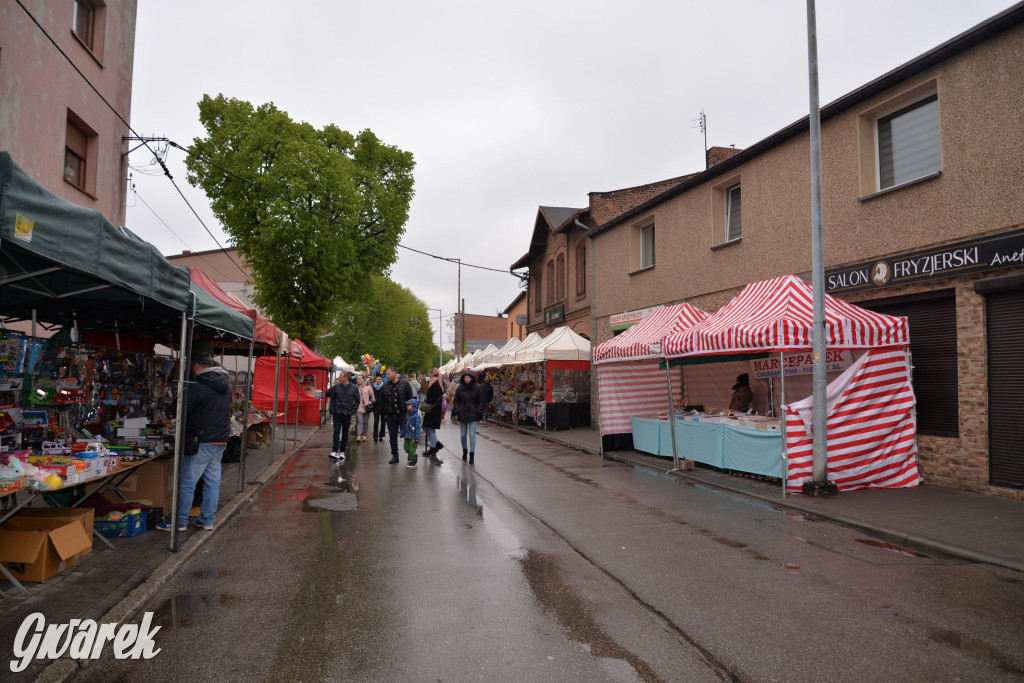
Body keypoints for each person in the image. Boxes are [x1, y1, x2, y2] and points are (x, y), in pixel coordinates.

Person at [158, 347, 231, 532]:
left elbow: (178, 409)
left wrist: (176, 396)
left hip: (201, 441)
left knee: (188, 483)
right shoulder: (225, 386)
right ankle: (207, 520)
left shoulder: (197, 386)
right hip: (220, 440)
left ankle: (180, 522)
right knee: (212, 481)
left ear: (196, 366)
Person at [381, 367, 413, 464]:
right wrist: (385, 413)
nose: (387, 376)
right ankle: (395, 455)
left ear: (395, 373)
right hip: (391, 416)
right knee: (392, 436)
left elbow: (410, 399)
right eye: (386, 374)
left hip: (403, 415)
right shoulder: (385, 386)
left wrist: (410, 413)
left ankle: (410, 454)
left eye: (389, 374)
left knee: (407, 435)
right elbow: (383, 402)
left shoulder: (405, 383)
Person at [453, 370, 485, 463]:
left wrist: (478, 410)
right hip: (462, 413)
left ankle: (472, 454)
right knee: (463, 435)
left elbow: (481, 400)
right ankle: (464, 451)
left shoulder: (477, 388)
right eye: (465, 377)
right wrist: (457, 410)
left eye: (468, 377)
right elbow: (456, 401)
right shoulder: (460, 388)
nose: (466, 379)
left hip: (473, 413)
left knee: (472, 434)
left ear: (472, 378)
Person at [325, 372, 359, 459]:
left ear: (346, 378)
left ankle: (342, 451)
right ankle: (335, 451)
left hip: (347, 413)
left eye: (340, 377)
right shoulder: (336, 387)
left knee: (345, 432)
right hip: (337, 412)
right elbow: (332, 398)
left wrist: (353, 411)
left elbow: (357, 401)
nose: (339, 378)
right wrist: (332, 409)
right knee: (336, 431)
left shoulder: (354, 388)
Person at [422, 368, 445, 463]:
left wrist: (426, 400)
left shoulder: (436, 385)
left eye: (429, 373)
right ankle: (436, 444)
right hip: (432, 410)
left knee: (429, 429)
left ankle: (433, 447)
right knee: (427, 428)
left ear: (431, 374)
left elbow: (434, 398)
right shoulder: (435, 383)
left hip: (433, 410)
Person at [400, 397, 422, 468]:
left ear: (414, 406)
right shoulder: (407, 415)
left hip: (413, 436)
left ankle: (413, 461)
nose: (407, 406)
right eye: (407, 405)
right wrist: (402, 433)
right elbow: (404, 425)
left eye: (409, 405)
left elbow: (418, 428)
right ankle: (412, 456)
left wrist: (417, 437)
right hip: (407, 435)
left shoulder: (416, 417)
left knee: (412, 449)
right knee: (406, 448)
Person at [355, 374, 375, 442]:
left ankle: (364, 435)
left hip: (367, 407)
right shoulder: (356, 387)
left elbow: (373, 397)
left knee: (365, 422)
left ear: (364, 379)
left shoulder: (369, 387)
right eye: (357, 379)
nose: (358, 380)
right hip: (358, 407)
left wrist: (370, 402)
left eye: (359, 379)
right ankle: (358, 435)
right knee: (360, 421)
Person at [372, 373, 387, 442]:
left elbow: (385, 397)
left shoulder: (384, 386)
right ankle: (375, 436)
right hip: (376, 407)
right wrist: (371, 399)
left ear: (381, 380)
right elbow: (371, 395)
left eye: (380, 379)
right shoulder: (373, 386)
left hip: (383, 406)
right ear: (375, 380)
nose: (378, 380)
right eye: (377, 379)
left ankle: (381, 435)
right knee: (376, 421)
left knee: (383, 421)